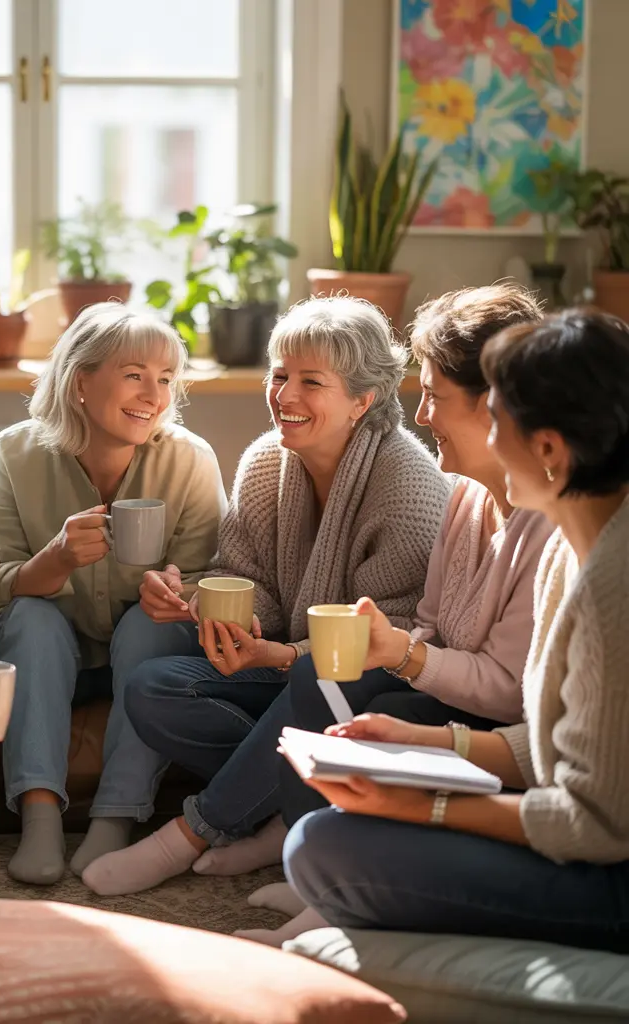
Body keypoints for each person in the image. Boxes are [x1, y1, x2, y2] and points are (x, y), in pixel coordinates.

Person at [185, 284, 557, 903]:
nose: (423, 414)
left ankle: (215, 831)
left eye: (435, 395)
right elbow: (431, 622)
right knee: (201, 684)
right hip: (438, 688)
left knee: (330, 692)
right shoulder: (465, 495)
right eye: (280, 376)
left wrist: (397, 654)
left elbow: (505, 690)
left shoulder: (514, 517)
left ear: (495, 406)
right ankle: (295, 832)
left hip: (487, 715)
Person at [281, 309, 629, 954]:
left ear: (549, 449)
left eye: (496, 420)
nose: (489, 443)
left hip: (613, 875)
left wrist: (420, 806)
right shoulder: (572, 547)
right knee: (331, 832)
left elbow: (596, 823)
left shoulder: (614, 584)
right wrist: (422, 741)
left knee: (325, 847)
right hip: (579, 825)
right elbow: (560, 749)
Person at [83, 295, 451, 897]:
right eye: (280, 375)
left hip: (369, 687)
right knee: (152, 688)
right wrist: (206, 603)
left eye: (312, 381)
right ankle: (285, 809)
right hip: (286, 675)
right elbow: (254, 587)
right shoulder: (263, 462)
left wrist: (280, 658)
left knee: (319, 681)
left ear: (365, 399)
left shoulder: (406, 487)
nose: (285, 395)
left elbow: (393, 638)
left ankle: (194, 831)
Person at [0, 302, 227, 884]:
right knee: (31, 615)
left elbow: (210, 580)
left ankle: (116, 816)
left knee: (151, 621)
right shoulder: (15, 452)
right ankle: (39, 817)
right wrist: (56, 559)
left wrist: (177, 594)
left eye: (165, 379)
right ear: (81, 380)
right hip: (42, 648)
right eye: (135, 374)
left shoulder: (190, 461)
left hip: (141, 650)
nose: (154, 394)